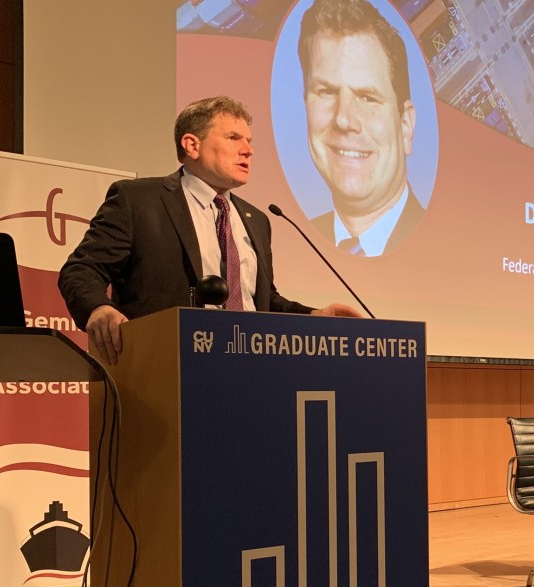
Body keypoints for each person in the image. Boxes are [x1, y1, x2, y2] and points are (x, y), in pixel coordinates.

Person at [58, 96, 361, 365]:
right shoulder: (138, 201)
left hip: (252, 367)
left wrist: (314, 318)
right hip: (167, 366)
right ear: (192, 145)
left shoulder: (255, 219)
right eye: (233, 138)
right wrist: (98, 308)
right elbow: (81, 270)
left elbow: (262, 301)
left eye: (249, 140)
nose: (249, 150)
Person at [298, 0, 424, 257]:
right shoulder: (294, 245)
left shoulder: (451, 253)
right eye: (327, 92)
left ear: (406, 126)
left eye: (367, 97)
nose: (344, 119)